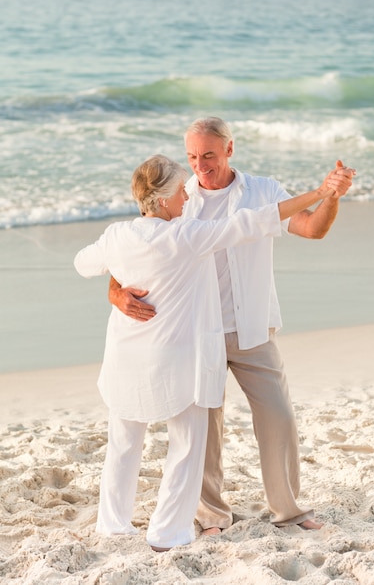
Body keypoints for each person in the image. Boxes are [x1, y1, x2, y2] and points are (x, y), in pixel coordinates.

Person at [74, 153, 340, 551]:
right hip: (178, 361)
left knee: (124, 443)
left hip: (125, 359)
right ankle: (167, 532)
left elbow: (83, 263)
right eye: (181, 190)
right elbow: (251, 223)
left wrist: (119, 284)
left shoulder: (117, 235)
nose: (187, 195)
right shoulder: (186, 237)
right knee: (186, 446)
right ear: (163, 200)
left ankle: (112, 525)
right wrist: (320, 192)